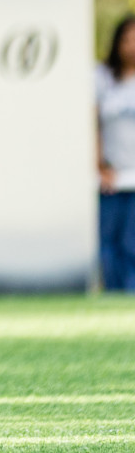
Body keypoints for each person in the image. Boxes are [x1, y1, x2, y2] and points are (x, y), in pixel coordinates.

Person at [96, 15, 135, 291]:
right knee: (110, 246)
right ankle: (115, 298)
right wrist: (99, 163)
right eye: (127, 39)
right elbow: (92, 123)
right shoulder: (103, 78)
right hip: (113, 176)